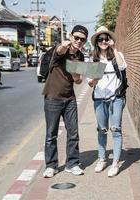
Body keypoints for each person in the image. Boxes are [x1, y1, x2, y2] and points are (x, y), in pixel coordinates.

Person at [42, 25, 88, 178]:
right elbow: (59, 51)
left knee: (73, 133)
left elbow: (79, 80)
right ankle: (51, 166)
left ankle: (72, 164)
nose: (79, 41)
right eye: (76, 37)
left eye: (82, 39)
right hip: (52, 97)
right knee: (51, 134)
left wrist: (77, 76)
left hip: (70, 99)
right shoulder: (62, 50)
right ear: (70, 36)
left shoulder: (80, 57)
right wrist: (64, 45)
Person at [88, 26, 127, 177]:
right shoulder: (93, 59)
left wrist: (114, 48)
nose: (103, 41)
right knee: (102, 130)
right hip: (99, 99)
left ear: (110, 40)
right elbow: (90, 83)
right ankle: (102, 159)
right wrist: (94, 79)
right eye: (100, 39)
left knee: (116, 129)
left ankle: (115, 163)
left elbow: (122, 66)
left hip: (116, 97)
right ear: (96, 42)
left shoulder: (117, 55)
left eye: (106, 39)